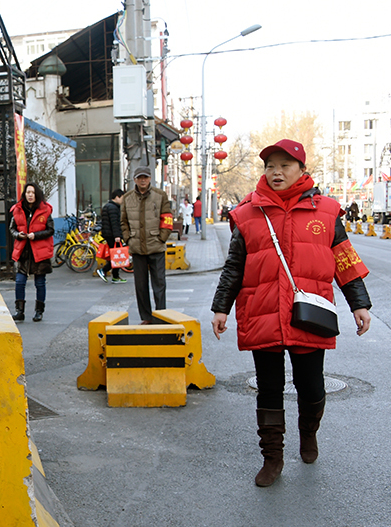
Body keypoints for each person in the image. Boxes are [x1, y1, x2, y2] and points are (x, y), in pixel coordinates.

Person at [211, 139, 371, 488]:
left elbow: (345, 260)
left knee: (310, 385)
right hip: (262, 311)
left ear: (301, 170)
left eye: (284, 165)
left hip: (309, 314)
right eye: (270, 166)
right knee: (269, 388)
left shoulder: (326, 212)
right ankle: (272, 457)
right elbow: (235, 266)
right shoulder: (248, 212)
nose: (276, 172)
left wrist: (359, 303)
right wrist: (221, 307)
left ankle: (308, 432)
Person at [121, 166, 172, 324]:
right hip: (137, 248)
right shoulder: (127, 197)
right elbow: (123, 221)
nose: (143, 180)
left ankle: (161, 315)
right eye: (139, 177)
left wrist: (162, 238)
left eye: (146, 177)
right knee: (140, 286)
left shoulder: (160, 195)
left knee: (159, 284)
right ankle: (146, 317)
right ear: (135, 179)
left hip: (156, 246)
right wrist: (128, 238)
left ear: (150, 178)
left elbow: (167, 218)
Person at [9, 182, 55, 320]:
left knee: (40, 283)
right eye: (28, 192)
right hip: (24, 252)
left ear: (37, 194)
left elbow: (51, 230)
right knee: (19, 282)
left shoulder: (45, 210)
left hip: (40, 253)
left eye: (33, 192)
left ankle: (39, 311)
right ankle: (19, 311)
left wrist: (36, 235)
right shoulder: (17, 209)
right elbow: (12, 228)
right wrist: (18, 235)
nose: (30, 195)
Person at [98, 189, 126, 283]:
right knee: (117, 256)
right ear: (117, 197)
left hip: (109, 234)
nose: (123, 200)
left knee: (115, 255)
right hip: (113, 235)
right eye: (122, 198)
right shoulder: (113, 208)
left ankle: (115, 276)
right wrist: (117, 235)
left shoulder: (108, 206)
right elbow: (114, 223)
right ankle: (104, 270)